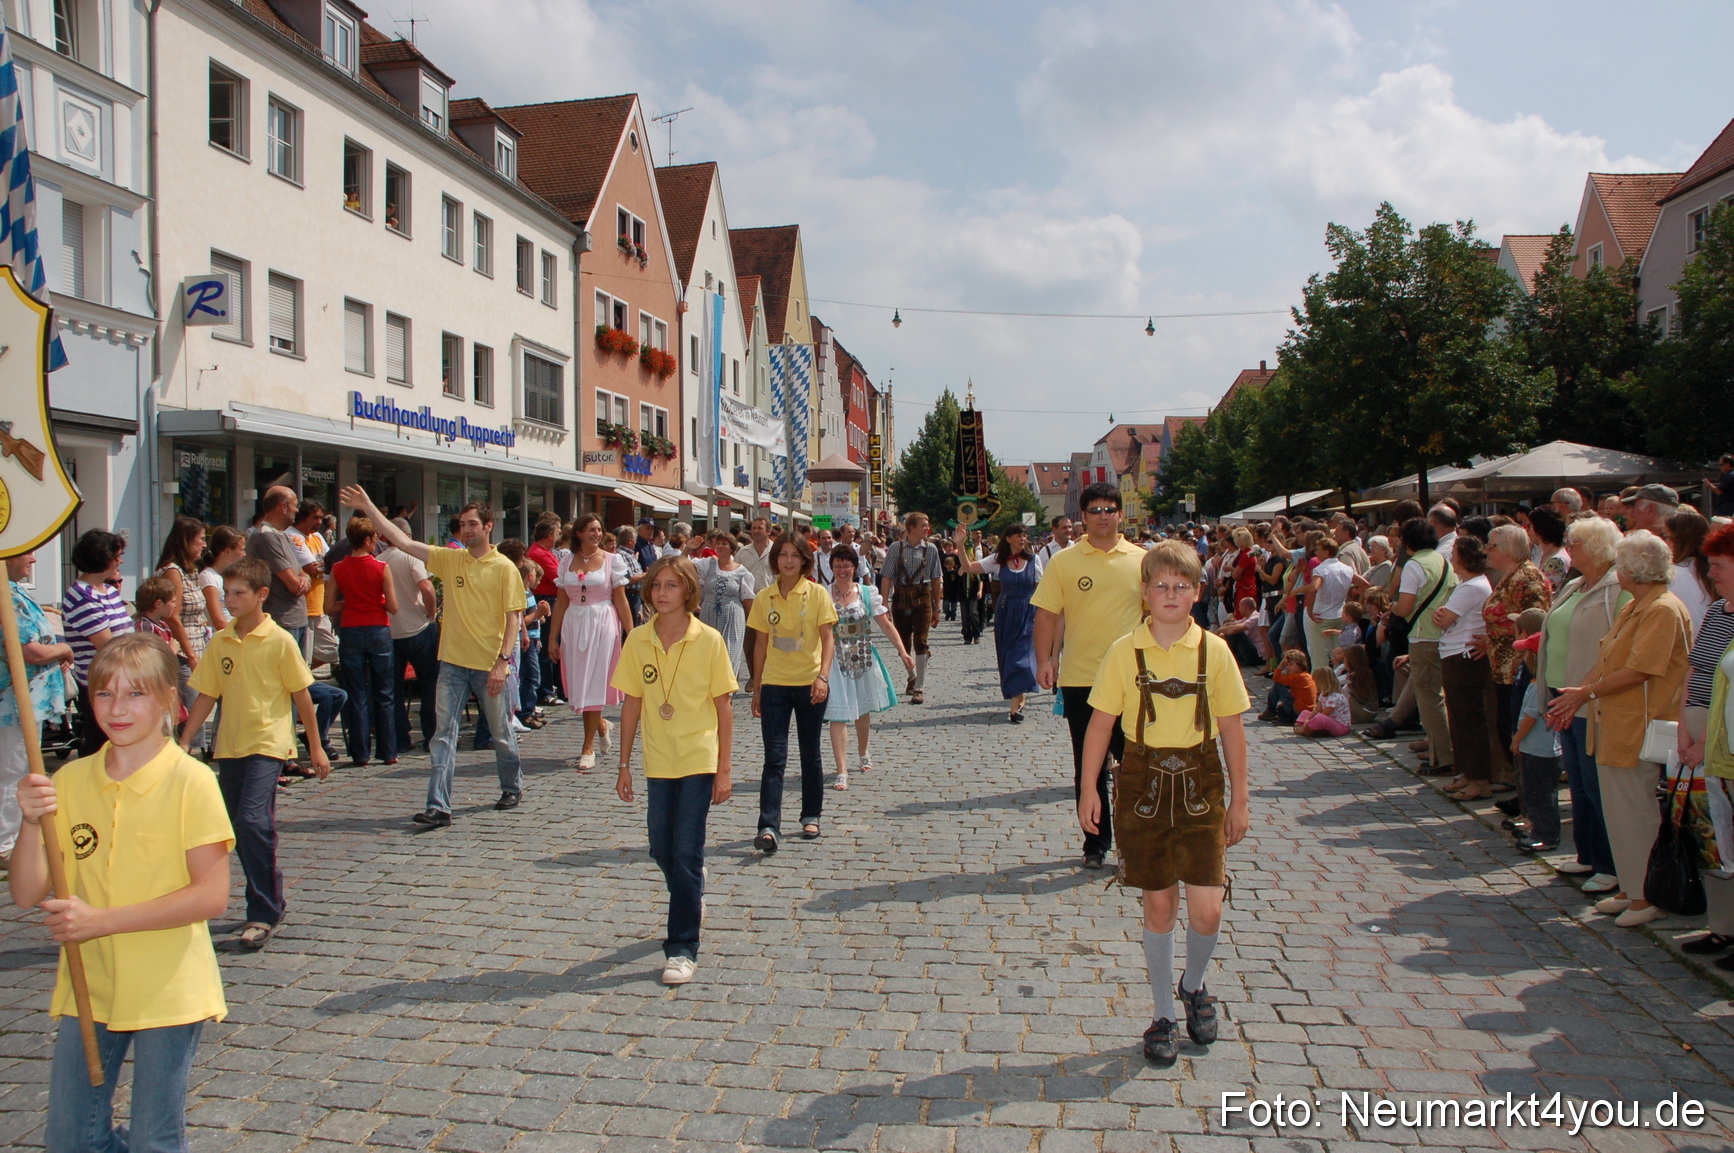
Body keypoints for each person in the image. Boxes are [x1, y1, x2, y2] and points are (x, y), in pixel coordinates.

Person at [10, 635, 233, 1153]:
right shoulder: (70, 780)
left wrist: (101, 921)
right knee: (71, 1138)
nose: (117, 708)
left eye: (135, 694)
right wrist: (29, 822)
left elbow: (211, 896)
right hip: (90, 986)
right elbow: (25, 891)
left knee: (155, 1139)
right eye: (104, 694)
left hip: (167, 989)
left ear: (166, 702)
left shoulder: (191, 781)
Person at [1077, 540, 1250, 1067]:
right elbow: (1100, 725)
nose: (1170, 594)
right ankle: (1162, 1015)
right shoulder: (1124, 651)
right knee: (1159, 905)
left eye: (1180, 586)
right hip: (1143, 787)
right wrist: (1089, 788)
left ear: (1197, 593)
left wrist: (1240, 798)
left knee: (1207, 907)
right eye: (1160, 585)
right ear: (1145, 592)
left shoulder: (1214, 651)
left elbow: (1232, 729)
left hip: (1201, 788)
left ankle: (1193, 984)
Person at [341, 487, 526, 825]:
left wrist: (503, 662)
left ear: (488, 527)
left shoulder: (503, 568)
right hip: (453, 662)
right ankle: (439, 806)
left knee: (500, 731)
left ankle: (511, 784)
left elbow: (513, 617)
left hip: (488, 665)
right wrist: (368, 506)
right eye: (462, 524)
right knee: (443, 734)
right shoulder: (449, 558)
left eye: (473, 523)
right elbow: (402, 540)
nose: (467, 529)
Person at [1547, 530, 1692, 928]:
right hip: (1612, 723)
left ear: (1634, 569)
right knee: (1617, 812)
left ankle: (1648, 896)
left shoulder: (1662, 608)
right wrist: (1579, 693)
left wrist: (1586, 692)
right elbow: (1608, 657)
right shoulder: (1639, 605)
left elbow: (1641, 669)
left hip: (1637, 724)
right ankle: (1631, 888)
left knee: (1637, 812)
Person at [181, 558, 327, 949]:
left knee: (252, 821)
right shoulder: (221, 640)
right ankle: (270, 898)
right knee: (241, 827)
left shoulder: (279, 640)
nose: (229, 600)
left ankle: (262, 911)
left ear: (262, 595)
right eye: (227, 593)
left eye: (238, 593)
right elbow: (207, 694)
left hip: (268, 744)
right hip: (229, 746)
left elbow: (303, 697)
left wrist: (315, 747)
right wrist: (184, 741)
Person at [611, 556, 738, 986]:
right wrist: (624, 764)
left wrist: (724, 769)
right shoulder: (638, 641)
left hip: (699, 757)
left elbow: (724, 709)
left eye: (671, 585)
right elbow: (631, 704)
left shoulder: (709, 640)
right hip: (657, 759)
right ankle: (692, 883)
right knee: (661, 848)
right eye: (656, 585)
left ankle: (682, 947)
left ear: (688, 591)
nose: (662, 592)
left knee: (685, 848)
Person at [1032, 482, 1146, 870]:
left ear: (1119, 514)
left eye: (1109, 509)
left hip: (1132, 680)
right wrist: (1045, 660)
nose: (1102, 516)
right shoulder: (1064, 561)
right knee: (1089, 765)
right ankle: (1096, 842)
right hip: (1082, 678)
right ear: (1083, 516)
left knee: (1135, 763)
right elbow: (1046, 614)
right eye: (1094, 510)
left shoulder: (1142, 560)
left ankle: (1137, 840)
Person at [1535, 515, 1625, 891]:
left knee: (1595, 782)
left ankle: (1610, 864)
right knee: (1578, 782)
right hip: (1563, 694)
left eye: (1577, 544)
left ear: (1601, 547)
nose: (1569, 549)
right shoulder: (1575, 585)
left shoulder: (1617, 587)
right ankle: (1587, 855)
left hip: (1591, 699)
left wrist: (1585, 689)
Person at [748, 532, 837, 851]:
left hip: (809, 682)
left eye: (794, 555)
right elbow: (760, 645)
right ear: (775, 560)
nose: (788, 560)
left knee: (810, 753)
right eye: (782, 554)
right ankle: (768, 825)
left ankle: (811, 814)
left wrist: (823, 677)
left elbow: (828, 639)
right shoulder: (764, 597)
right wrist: (757, 687)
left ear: (803, 560)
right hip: (774, 684)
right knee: (774, 758)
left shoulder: (816, 594)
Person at [1677, 521, 1734, 964]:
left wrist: (1704, 742)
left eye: (1717, 565)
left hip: (1722, 737)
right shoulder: (1717, 612)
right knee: (1708, 831)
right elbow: (1694, 670)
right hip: (1699, 729)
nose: (1709, 574)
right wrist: (1682, 726)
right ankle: (1721, 927)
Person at [0, 552, 72, 866]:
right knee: (14, 771)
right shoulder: (7, 595)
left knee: (19, 768)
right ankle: (6, 844)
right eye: (27, 552)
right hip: (13, 702)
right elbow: (31, 650)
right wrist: (63, 648)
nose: (33, 559)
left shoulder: (14, 592)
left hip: (24, 701)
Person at [823, 545, 912, 790]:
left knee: (862, 710)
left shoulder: (866, 592)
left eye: (846, 565)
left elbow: (885, 623)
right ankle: (841, 769)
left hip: (862, 655)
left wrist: (902, 651)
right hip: (834, 658)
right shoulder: (823, 593)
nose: (842, 570)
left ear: (854, 567)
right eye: (837, 565)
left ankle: (863, 752)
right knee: (838, 713)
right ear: (831, 567)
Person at [549, 514, 632, 772]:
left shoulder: (611, 561)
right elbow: (561, 601)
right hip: (575, 623)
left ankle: (588, 747)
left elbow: (620, 599)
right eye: (591, 530)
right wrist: (553, 636)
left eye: (599, 530)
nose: (596, 534)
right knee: (580, 685)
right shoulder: (566, 563)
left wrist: (632, 633)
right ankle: (602, 725)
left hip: (602, 622)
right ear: (579, 534)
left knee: (594, 682)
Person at [1477, 524, 1552, 769]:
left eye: (1491, 545)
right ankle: (1518, 785)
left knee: (1519, 728)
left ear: (1508, 548)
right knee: (1506, 726)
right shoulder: (1510, 576)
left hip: (1521, 668)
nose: (1486, 551)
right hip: (1504, 667)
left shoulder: (1527, 577)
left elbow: (1536, 622)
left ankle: (1526, 790)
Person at [1433, 535, 1499, 802]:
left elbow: (1444, 618)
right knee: (1459, 719)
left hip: (1464, 656)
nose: (1451, 559)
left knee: (1469, 720)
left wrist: (1442, 615)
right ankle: (1468, 773)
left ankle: (1479, 779)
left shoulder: (1471, 586)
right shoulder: (1470, 585)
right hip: (1455, 653)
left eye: (1456, 554)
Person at [330, 517, 400, 768]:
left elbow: (329, 606)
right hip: (378, 628)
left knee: (356, 692)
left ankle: (360, 753)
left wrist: (351, 601)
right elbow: (393, 606)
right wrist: (375, 600)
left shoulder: (339, 568)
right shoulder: (381, 568)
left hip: (350, 628)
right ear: (369, 540)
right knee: (384, 692)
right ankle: (388, 750)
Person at [957, 523, 1044, 722]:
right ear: (1008, 539)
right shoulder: (998, 560)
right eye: (1018, 536)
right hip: (1006, 613)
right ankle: (1018, 697)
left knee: (1021, 658)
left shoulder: (1034, 560)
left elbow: (1042, 587)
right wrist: (960, 545)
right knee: (1008, 658)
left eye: (1024, 536)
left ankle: (1016, 705)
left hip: (1028, 612)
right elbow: (969, 567)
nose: (1022, 539)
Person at [63, 529, 136, 758]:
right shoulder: (81, 595)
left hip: (123, 677)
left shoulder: (108, 592)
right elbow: (106, 645)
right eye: (117, 555)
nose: (120, 560)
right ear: (103, 558)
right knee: (99, 745)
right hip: (99, 683)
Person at [1394, 517, 1457, 778]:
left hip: (1424, 635)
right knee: (1438, 695)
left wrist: (1393, 608)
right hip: (1444, 634)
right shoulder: (1443, 560)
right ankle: (1437, 748)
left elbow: (1405, 606)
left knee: (1430, 698)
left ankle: (1443, 756)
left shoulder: (1415, 565)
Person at [381, 518, 439, 754]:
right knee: (430, 685)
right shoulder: (411, 557)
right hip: (418, 627)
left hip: (391, 629)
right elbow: (427, 588)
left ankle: (400, 738)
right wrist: (431, 613)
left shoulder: (379, 560)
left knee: (393, 688)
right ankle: (431, 736)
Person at [1509, 612, 1562, 853]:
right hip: (1538, 749)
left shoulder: (1538, 687)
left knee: (1541, 796)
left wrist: (1517, 739)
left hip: (1539, 750)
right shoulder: (1537, 683)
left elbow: (1531, 717)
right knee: (1536, 794)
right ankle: (1537, 829)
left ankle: (1545, 835)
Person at [880, 512, 942, 703]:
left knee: (921, 641)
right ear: (912, 528)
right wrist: (884, 603)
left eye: (928, 525)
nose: (927, 528)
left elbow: (936, 578)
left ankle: (919, 688)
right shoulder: (895, 548)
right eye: (923, 525)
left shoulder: (931, 549)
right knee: (903, 642)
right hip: (901, 597)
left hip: (922, 595)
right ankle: (912, 674)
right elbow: (887, 577)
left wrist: (937, 606)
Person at [154, 517, 209, 709]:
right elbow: (172, 616)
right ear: (186, 541)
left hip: (197, 645)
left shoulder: (190, 571)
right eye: (200, 539)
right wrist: (191, 655)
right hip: (183, 655)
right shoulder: (173, 572)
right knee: (193, 713)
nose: (204, 545)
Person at [694, 530, 756, 682]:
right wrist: (687, 549)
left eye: (724, 544)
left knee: (729, 655)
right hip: (708, 616)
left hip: (732, 616)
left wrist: (755, 623)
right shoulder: (708, 564)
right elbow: (683, 567)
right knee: (707, 656)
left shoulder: (742, 572)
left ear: (732, 548)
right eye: (719, 543)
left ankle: (727, 693)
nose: (720, 546)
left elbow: (748, 601)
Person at [1667, 507, 1715, 631]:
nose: (1663, 542)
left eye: (1665, 536)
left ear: (1679, 540)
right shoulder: (1713, 571)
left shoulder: (1673, 575)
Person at [198, 526, 246, 634]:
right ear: (228, 551)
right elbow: (219, 622)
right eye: (242, 550)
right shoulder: (208, 577)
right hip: (225, 639)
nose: (244, 554)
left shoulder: (230, 577)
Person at [1262, 649, 1316, 724]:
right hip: (1304, 709)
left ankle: (1270, 711)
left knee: (1277, 685)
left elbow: (1276, 678)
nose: (1288, 667)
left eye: (1291, 664)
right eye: (1286, 665)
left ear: (1300, 666)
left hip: (1299, 710)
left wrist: (1281, 665)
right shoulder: (1305, 675)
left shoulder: (1299, 677)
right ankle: (1275, 713)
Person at [1295, 666, 1350, 737]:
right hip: (1329, 721)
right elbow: (1317, 709)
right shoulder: (1323, 694)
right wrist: (1307, 719)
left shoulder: (1334, 697)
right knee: (1305, 712)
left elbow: (1325, 714)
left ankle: (1308, 728)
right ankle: (1308, 727)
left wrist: (1309, 721)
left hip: (1340, 726)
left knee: (1320, 718)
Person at [1527, 506, 1571, 595]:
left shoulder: (1556, 561)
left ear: (1540, 529)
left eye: (1530, 526)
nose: (1527, 531)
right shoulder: (1540, 553)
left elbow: (1544, 592)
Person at [1713, 454, 1734, 519]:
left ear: (1727, 464)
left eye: (1721, 465)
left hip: (1727, 507)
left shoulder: (1729, 476)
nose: (1720, 467)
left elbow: (1719, 491)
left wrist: (1709, 485)